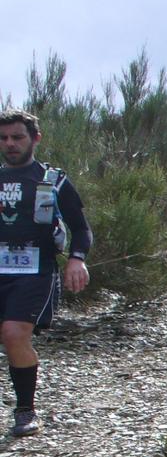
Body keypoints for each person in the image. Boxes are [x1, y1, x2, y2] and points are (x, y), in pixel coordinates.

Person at [0, 109, 91, 437]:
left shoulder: (53, 180)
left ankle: (25, 409)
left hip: (36, 270)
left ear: (35, 138)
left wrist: (76, 260)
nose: (10, 144)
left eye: (17, 137)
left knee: (13, 333)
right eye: (4, 138)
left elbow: (81, 228)